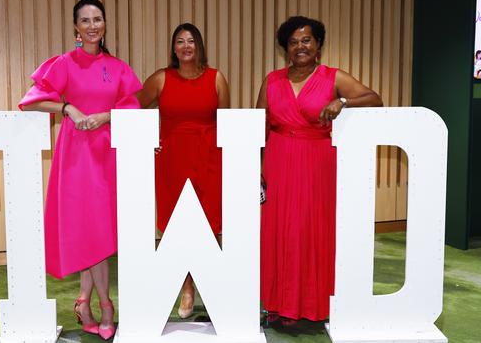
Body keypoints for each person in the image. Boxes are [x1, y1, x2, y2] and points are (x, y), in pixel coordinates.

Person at [18, 0, 142, 340]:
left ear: (104, 24)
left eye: (97, 19)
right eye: (85, 20)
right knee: (89, 230)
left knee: (99, 231)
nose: (92, 26)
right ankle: (105, 306)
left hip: (106, 156)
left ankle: (86, 301)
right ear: (76, 27)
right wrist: (68, 107)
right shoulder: (64, 63)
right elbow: (31, 101)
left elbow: (132, 108)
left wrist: (105, 116)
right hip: (75, 158)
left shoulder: (117, 67)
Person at [257, 16, 382, 324]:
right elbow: (259, 125)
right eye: (294, 42)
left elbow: (374, 100)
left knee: (310, 232)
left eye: (307, 40)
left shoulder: (332, 76)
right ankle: (277, 305)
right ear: (286, 48)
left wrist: (343, 101)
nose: (300, 46)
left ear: (318, 45)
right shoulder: (271, 80)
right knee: (277, 232)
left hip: (316, 163)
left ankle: (310, 306)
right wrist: (256, 168)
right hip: (278, 159)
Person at [137, 23, 230, 319]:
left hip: (210, 159)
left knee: (210, 223)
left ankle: (214, 287)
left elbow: (227, 123)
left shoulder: (217, 79)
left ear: (200, 46)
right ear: (173, 48)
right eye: (180, 41)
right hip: (172, 160)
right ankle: (186, 289)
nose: (186, 46)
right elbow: (131, 108)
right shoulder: (162, 78)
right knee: (175, 223)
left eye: (191, 41)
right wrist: (147, 141)